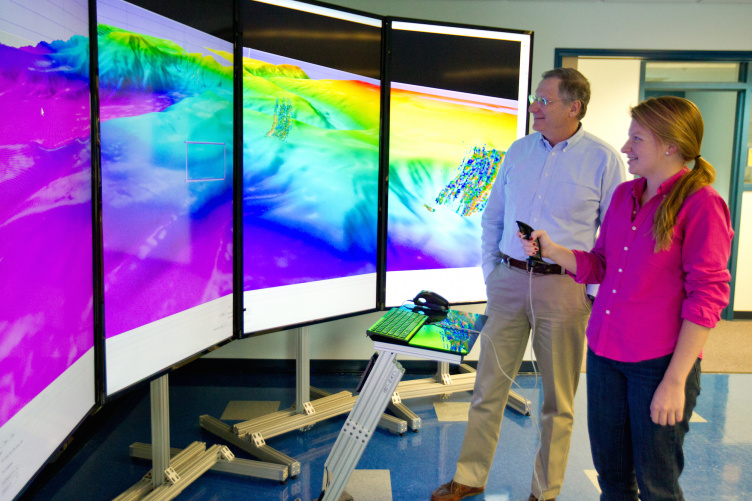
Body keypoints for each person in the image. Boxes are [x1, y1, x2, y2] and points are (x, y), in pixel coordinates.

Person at [519, 96, 733, 500]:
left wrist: (675, 380)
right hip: (604, 354)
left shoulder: (703, 205)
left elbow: (707, 298)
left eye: (636, 138)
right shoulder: (624, 196)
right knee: (613, 481)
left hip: (658, 366)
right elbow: (601, 264)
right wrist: (551, 249)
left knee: (657, 485)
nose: (624, 147)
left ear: (670, 145)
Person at [430, 68, 626, 501]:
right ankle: (470, 475)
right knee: (487, 386)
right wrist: (493, 274)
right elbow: (493, 217)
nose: (535, 107)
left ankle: (545, 490)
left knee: (558, 401)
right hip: (508, 282)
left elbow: (613, 238)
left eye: (545, 100)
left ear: (574, 107)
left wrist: (589, 296)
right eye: (536, 99)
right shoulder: (518, 151)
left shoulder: (604, 159)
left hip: (565, 290)